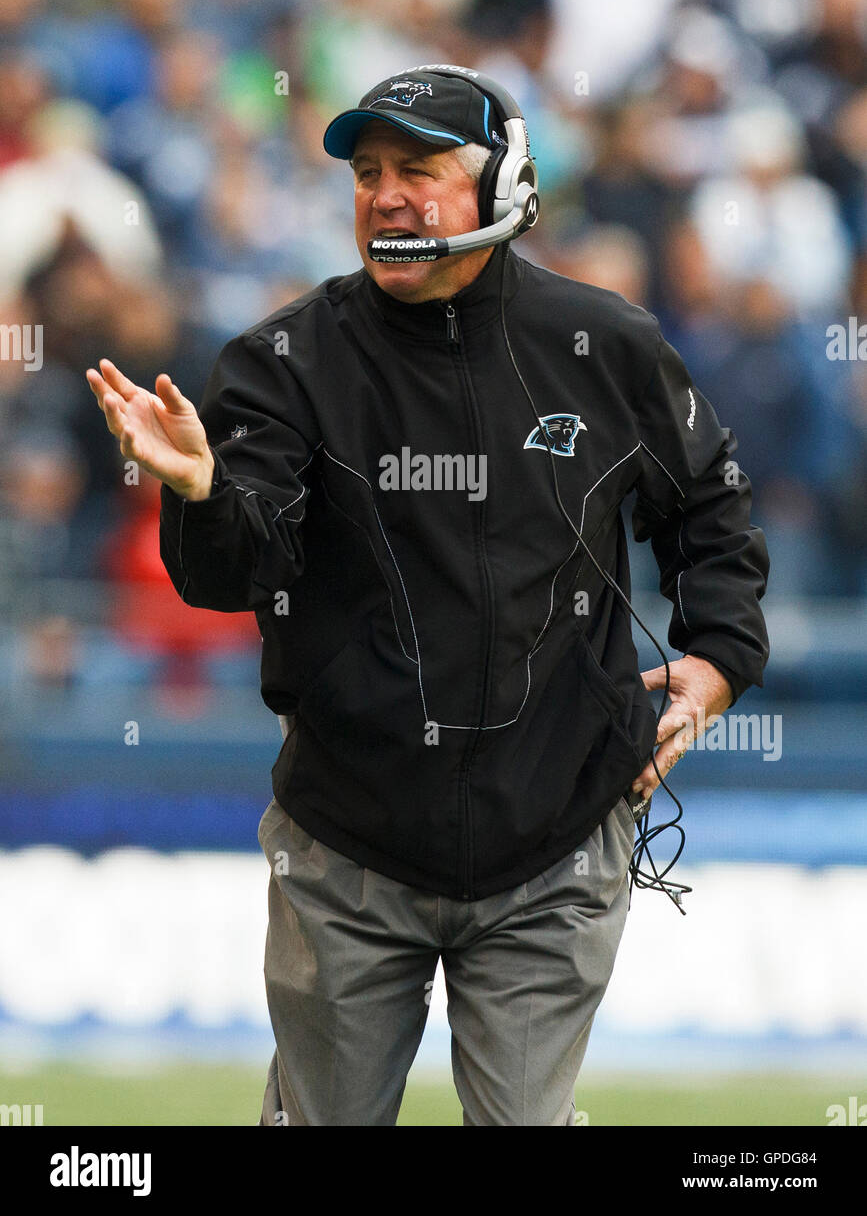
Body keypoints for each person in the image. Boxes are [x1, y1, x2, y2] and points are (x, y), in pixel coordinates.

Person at [86, 66, 770, 1126]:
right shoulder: (282, 363)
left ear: (505, 186)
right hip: (348, 846)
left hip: (558, 831)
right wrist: (201, 489)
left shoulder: (607, 345)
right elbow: (232, 572)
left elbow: (712, 508)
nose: (387, 195)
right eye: (367, 173)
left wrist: (718, 658)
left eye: (419, 168)